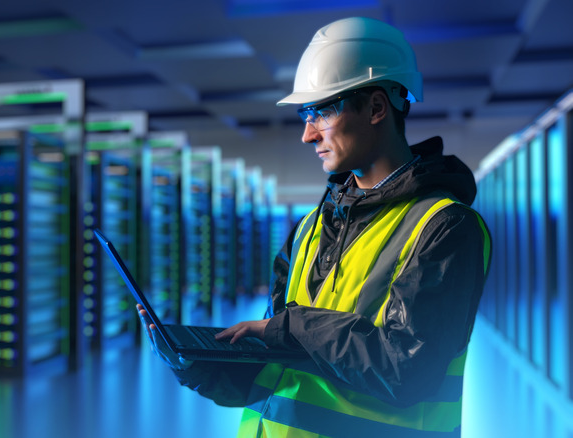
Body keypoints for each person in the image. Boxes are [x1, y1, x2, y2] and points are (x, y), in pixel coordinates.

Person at [137, 16, 491, 437]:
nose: (307, 134)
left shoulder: (444, 227)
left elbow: (405, 369)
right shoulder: (309, 228)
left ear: (377, 108)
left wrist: (292, 325)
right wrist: (193, 362)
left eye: (320, 112)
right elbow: (272, 372)